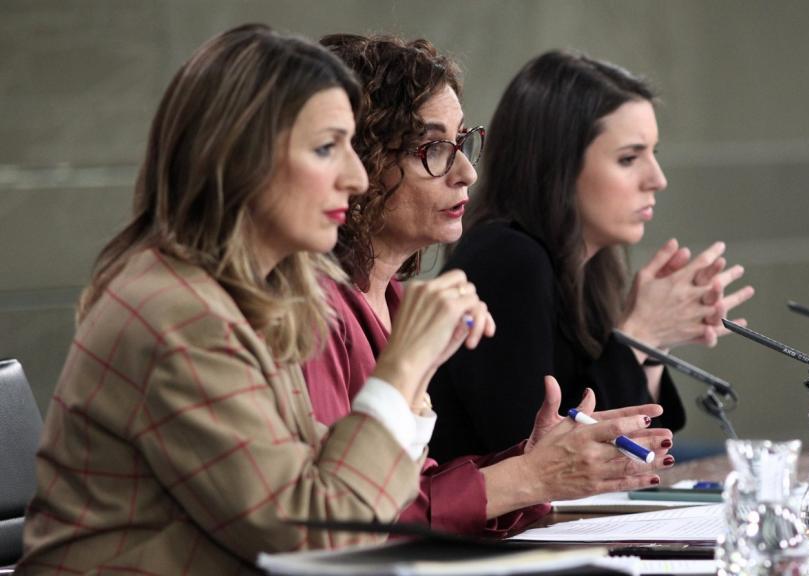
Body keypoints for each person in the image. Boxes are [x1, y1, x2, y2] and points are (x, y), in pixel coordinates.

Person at [16, 24, 495, 575]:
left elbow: (338, 482)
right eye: (325, 149)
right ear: (238, 160)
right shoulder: (181, 314)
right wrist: (404, 367)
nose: (356, 177)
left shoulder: (239, 300)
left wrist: (414, 373)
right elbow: (319, 537)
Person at [302, 34, 674, 537]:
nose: (466, 171)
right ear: (359, 161)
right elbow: (346, 514)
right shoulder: (312, 308)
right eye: (432, 148)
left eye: (462, 142)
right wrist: (529, 475)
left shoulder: (397, 300)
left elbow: (413, 484)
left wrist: (534, 463)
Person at [428, 50, 756, 463]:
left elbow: (641, 449)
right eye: (629, 158)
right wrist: (641, 334)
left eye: (653, 153)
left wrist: (656, 343)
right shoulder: (507, 259)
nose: (657, 179)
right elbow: (537, 458)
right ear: (559, 165)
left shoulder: (591, 265)